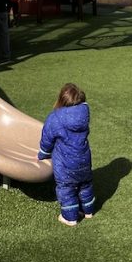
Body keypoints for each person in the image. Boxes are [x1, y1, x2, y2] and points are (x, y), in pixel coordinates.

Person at [38, 83, 95, 227]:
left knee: (66, 187)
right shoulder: (84, 114)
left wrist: (42, 154)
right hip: (84, 159)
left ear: (61, 99)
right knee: (85, 184)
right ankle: (88, 211)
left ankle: (70, 218)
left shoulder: (55, 118)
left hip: (65, 163)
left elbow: (47, 139)